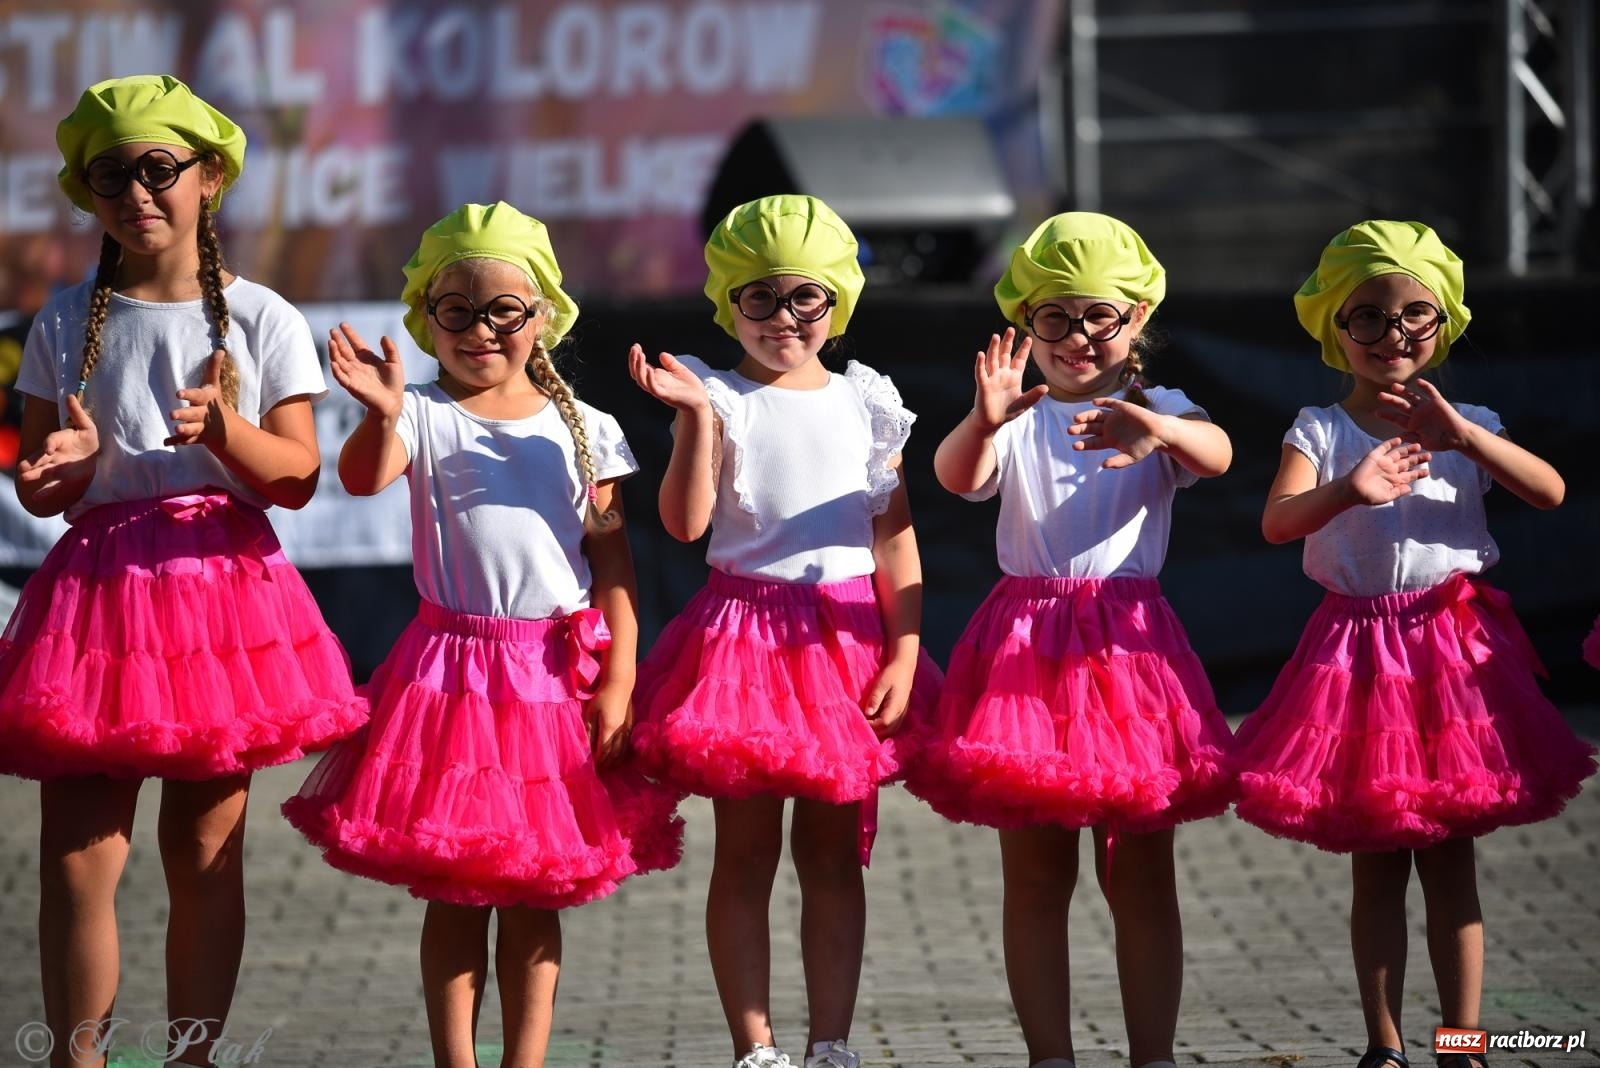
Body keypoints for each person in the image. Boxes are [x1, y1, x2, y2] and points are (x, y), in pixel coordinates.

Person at [0, 75, 364, 1066]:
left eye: (159, 168)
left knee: (204, 856)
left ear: (210, 179)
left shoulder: (260, 317)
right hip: (97, 608)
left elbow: (296, 477)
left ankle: (192, 1058)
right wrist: (56, 474)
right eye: (110, 174)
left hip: (219, 604)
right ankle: (77, 1057)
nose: (136, 192)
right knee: (75, 862)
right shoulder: (65, 320)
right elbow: (44, 488)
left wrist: (226, 430)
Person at [282, 202, 683, 1068]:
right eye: (456, 311)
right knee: (456, 889)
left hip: (553, 685)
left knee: (537, 891)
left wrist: (619, 682)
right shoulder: (423, 414)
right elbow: (363, 478)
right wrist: (380, 413)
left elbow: (614, 570)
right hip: (450, 682)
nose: (480, 331)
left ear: (542, 317)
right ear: (428, 319)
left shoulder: (586, 429)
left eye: (503, 310)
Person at [1229, 220, 1597, 1068]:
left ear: (1443, 323)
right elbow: (1278, 521)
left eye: (1413, 315)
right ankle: (1384, 1046)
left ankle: (1461, 1044)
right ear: (1337, 328)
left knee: (1450, 863)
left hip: (1450, 655)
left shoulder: (1472, 422)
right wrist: (1349, 490)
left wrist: (1464, 437)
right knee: (1378, 865)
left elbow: (1549, 490)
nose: (1392, 334)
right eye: (1368, 315)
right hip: (1355, 657)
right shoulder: (1319, 428)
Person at [903, 212, 1235, 1068]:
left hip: (1129, 652)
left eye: (1099, 316)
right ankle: (1050, 1056)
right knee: (1036, 875)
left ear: (1137, 319)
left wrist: (1157, 430)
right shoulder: (1019, 415)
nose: (1078, 337)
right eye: (1055, 317)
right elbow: (957, 478)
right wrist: (984, 420)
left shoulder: (1159, 408)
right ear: (1027, 325)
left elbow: (1218, 454)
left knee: (1141, 873)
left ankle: (1153, 1056)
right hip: (1027, 649)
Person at [627, 194, 942, 1068]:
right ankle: (755, 1047)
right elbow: (686, 524)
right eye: (759, 296)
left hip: (846, 639)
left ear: (837, 301)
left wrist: (905, 649)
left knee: (834, 856)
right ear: (728, 302)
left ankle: (830, 1042)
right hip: (746, 644)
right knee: (745, 853)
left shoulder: (866, 400)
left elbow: (895, 539)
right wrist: (695, 420)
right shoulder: (718, 395)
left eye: (806, 296)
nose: (783, 317)